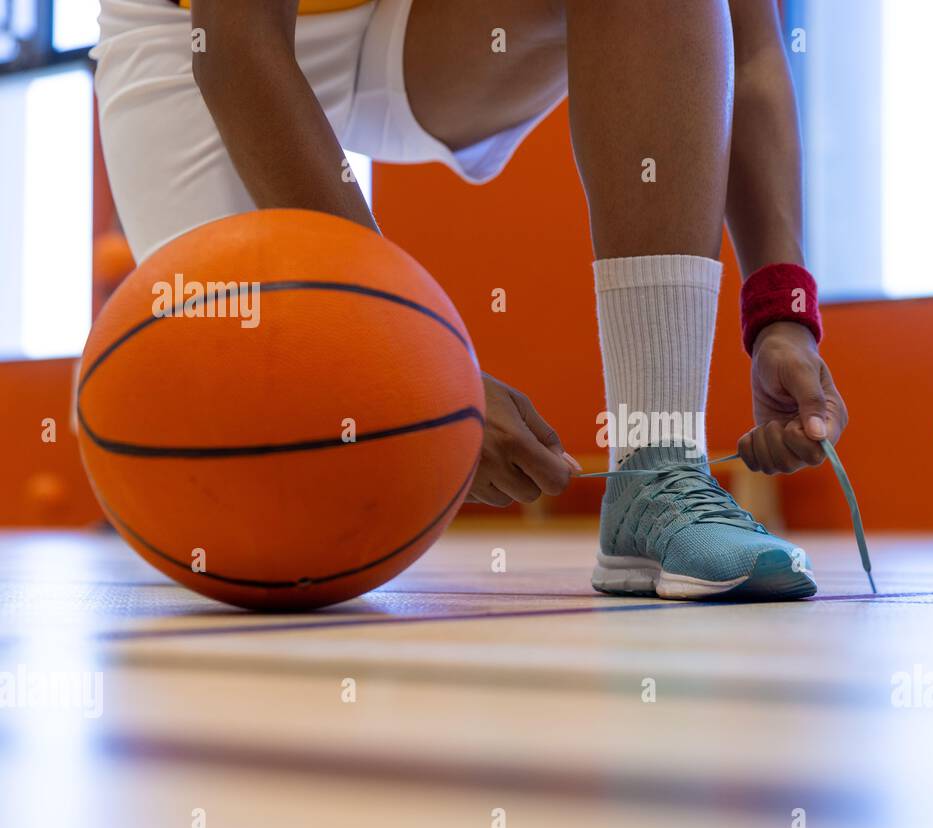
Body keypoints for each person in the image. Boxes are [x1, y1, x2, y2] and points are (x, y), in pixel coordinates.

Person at [91, 0, 849, 600]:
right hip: (199, 35)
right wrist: (419, 365)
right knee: (256, 499)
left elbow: (748, 40)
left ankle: (658, 471)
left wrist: (781, 313)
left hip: (420, 26)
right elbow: (238, 48)